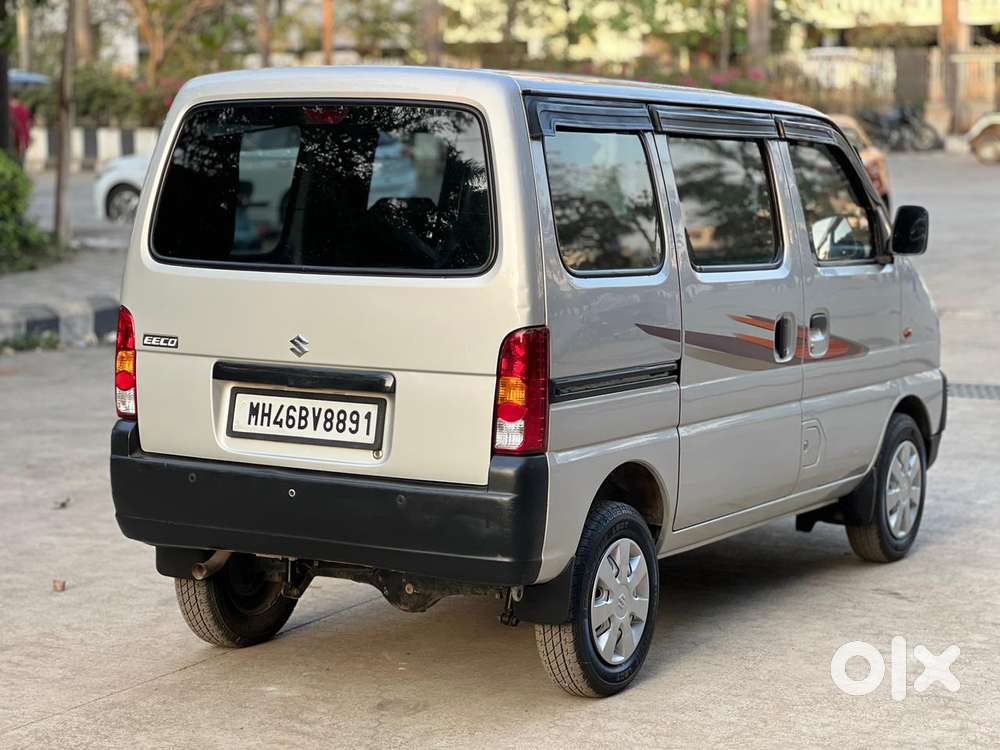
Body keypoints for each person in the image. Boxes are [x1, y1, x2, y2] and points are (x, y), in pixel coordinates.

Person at [10, 96, 33, 166]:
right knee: (21, 161)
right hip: (23, 138)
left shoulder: (9, 110)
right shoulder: (25, 109)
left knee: (12, 161)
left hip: (13, 139)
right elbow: (28, 124)